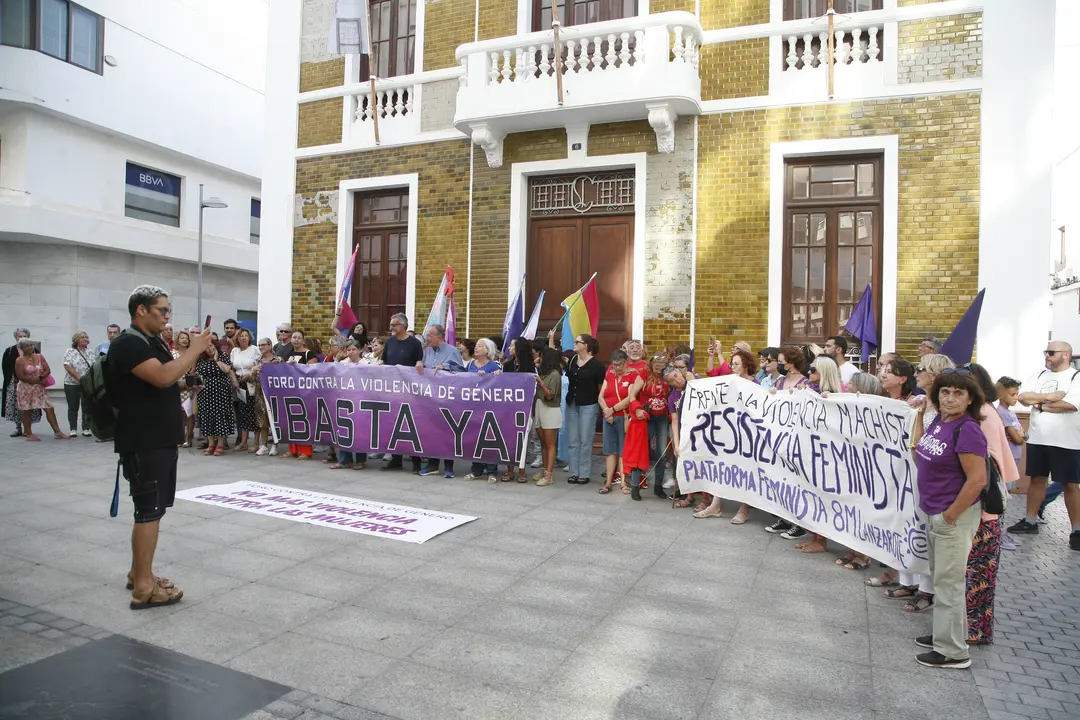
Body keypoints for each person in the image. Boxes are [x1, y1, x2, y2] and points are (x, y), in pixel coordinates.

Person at [109, 286, 211, 609]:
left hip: (158, 439)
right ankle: (143, 587)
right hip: (145, 441)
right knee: (148, 513)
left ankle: (138, 572)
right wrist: (193, 350)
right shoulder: (128, 343)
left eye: (169, 310)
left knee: (150, 512)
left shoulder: (150, 343)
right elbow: (162, 376)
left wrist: (185, 381)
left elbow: (165, 380)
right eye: (162, 310)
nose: (168, 317)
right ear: (141, 310)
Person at [911, 370, 988, 669]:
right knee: (941, 578)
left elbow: (977, 480)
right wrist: (919, 418)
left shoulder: (967, 429)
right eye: (945, 392)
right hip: (935, 511)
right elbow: (922, 454)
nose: (950, 398)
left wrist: (949, 516)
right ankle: (945, 635)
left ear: (970, 399)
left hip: (952, 516)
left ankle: (954, 652)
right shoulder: (942, 422)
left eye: (958, 393)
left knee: (949, 584)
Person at [963, 363, 1019, 644]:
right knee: (974, 571)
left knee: (977, 572)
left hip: (983, 508)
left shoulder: (982, 415)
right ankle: (974, 628)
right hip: (982, 505)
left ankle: (975, 630)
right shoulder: (983, 412)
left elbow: (984, 466)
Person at [1008, 341, 1080, 549]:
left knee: (1070, 485)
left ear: (1065, 355)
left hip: (1066, 441)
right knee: (1037, 480)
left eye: (1050, 352)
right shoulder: (1039, 375)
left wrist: (1038, 404)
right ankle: (1030, 520)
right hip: (1039, 439)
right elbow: (1023, 397)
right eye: (1045, 352)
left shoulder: (1075, 377)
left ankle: (1076, 530)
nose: (1046, 356)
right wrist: (1049, 398)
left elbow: (1070, 405)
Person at [696, 349, 758, 521]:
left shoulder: (755, 383)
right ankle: (715, 505)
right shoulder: (728, 381)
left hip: (746, 433)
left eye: (736, 364)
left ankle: (743, 509)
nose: (733, 367)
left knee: (745, 469)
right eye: (732, 364)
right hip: (727, 430)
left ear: (746, 366)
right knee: (720, 465)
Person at [765, 345, 810, 537]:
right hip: (780, 436)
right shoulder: (781, 381)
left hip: (797, 437)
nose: (780, 365)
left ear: (791, 363)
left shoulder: (804, 381)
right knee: (781, 477)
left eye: (782, 362)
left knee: (796, 480)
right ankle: (783, 517)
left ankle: (798, 522)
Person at [417, 324, 464, 478]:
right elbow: (423, 369)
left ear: (439, 336)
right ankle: (432, 464)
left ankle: (449, 466)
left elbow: (461, 372)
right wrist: (419, 364)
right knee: (431, 431)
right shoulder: (427, 352)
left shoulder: (453, 351)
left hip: (447, 399)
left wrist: (445, 367)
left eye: (430, 335)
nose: (427, 339)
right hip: (430, 398)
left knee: (447, 432)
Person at [381, 314, 424, 472]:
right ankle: (396, 459)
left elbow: (419, 361)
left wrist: (419, 363)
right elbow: (385, 361)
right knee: (392, 424)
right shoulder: (390, 342)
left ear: (403, 326)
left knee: (411, 424)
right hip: (392, 389)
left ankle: (416, 461)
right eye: (391, 324)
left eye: (394, 324)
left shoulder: (414, 343)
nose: (391, 327)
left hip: (409, 390)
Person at [598, 349, 643, 495]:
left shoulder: (633, 376)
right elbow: (601, 396)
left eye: (620, 364)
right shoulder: (609, 375)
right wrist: (606, 411)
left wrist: (612, 409)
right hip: (608, 417)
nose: (618, 368)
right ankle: (608, 482)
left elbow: (630, 397)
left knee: (623, 451)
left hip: (623, 417)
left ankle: (624, 482)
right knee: (610, 451)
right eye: (615, 365)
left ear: (626, 363)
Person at [565, 334, 605, 486]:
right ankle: (573, 472)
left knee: (585, 440)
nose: (574, 344)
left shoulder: (597, 365)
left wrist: (601, 406)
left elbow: (601, 388)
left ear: (586, 346)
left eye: (577, 342)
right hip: (572, 403)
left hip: (589, 404)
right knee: (573, 440)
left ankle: (584, 473)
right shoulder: (572, 361)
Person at [14, 338, 68, 441]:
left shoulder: (39, 356)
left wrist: (40, 378)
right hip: (26, 389)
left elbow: (47, 370)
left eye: (31, 345)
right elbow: (20, 376)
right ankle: (29, 434)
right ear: (21, 348)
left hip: (39, 387)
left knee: (49, 408)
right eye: (27, 346)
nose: (30, 347)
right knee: (27, 410)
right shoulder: (19, 360)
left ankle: (58, 432)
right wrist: (32, 380)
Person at [464, 338, 502, 483]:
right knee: (474, 438)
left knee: (489, 438)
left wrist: (495, 376)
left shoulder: (494, 366)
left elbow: (500, 385)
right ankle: (476, 469)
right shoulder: (470, 365)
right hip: (473, 407)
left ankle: (492, 471)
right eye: (477, 346)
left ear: (487, 350)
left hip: (489, 408)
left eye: (480, 346)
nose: (476, 348)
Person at [499, 337, 535, 482]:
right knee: (508, 439)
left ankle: (521, 471)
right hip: (509, 408)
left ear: (519, 348)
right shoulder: (507, 365)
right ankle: (509, 470)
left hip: (524, 408)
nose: (509, 348)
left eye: (512, 346)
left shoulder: (530, 366)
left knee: (523, 439)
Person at [279, 330, 319, 459]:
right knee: (291, 420)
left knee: (303, 420)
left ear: (303, 340)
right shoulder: (288, 353)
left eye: (299, 338)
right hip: (291, 391)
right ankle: (292, 449)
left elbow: (313, 370)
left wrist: (296, 367)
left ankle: (305, 450)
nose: (296, 340)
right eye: (294, 337)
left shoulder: (309, 353)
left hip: (305, 392)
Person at [195, 335, 237, 457]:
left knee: (220, 417)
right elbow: (196, 372)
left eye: (211, 346)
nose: (209, 349)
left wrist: (216, 359)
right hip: (204, 393)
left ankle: (220, 444)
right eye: (207, 347)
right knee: (206, 417)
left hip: (221, 393)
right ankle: (210, 444)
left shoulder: (223, 356)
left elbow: (226, 369)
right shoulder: (201, 359)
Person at [640, 354, 672, 500]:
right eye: (656, 368)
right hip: (647, 416)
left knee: (661, 452)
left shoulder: (668, 376)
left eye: (661, 369)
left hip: (662, 417)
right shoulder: (644, 375)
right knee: (642, 449)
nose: (659, 372)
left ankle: (658, 485)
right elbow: (632, 394)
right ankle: (637, 481)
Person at [533, 347, 563, 486]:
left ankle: (549, 475)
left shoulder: (555, 374)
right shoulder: (542, 372)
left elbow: (550, 395)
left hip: (550, 409)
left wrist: (541, 383)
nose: (540, 358)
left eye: (542, 356)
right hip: (539, 407)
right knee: (543, 442)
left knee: (550, 443)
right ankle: (544, 470)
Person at [230, 328, 260, 452]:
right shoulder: (234, 351)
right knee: (242, 412)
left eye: (245, 336)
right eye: (241, 336)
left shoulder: (254, 350)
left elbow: (258, 365)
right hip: (239, 384)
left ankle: (256, 442)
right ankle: (243, 441)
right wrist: (235, 381)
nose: (243, 338)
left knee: (253, 412)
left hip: (251, 383)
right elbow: (232, 367)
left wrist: (250, 375)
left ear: (249, 338)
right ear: (237, 338)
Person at [3, 328, 38, 437]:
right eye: (20, 336)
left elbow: (39, 365)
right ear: (16, 337)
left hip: (30, 381)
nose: (22, 338)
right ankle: (18, 428)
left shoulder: (34, 350)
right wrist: (10, 382)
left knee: (29, 406)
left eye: (24, 336)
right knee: (16, 405)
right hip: (14, 382)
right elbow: (5, 368)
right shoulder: (9, 350)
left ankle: (27, 428)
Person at [62, 330, 94, 436]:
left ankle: (86, 428)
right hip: (72, 384)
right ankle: (73, 429)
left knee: (87, 406)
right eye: (82, 337)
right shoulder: (70, 351)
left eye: (86, 337)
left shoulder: (90, 352)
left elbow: (94, 366)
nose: (85, 339)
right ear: (76, 340)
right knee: (73, 406)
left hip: (87, 384)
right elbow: (67, 366)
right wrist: (79, 378)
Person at [252, 337, 280, 456]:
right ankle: (264, 445)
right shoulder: (257, 360)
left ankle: (275, 444)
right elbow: (252, 379)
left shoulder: (277, 360)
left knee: (274, 419)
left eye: (263, 345)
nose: (261, 347)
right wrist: (253, 371)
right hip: (259, 393)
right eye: (259, 345)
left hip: (274, 394)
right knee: (262, 420)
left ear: (269, 346)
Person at [174, 330, 197, 447]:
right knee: (178, 414)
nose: (184, 340)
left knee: (189, 414)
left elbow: (193, 370)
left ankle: (189, 437)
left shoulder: (191, 354)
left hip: (188, 386)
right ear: (177, 339)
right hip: (176, 385)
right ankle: (180, 437)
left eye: (186, 338)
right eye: (182, 338)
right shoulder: (172, 353)